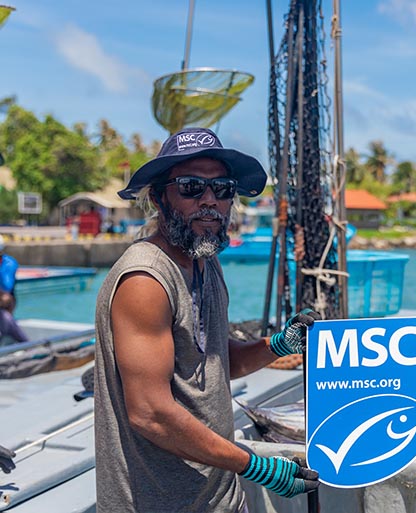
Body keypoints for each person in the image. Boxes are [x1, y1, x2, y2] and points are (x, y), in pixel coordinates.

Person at [94, 127, 319, 512]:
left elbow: (211, 363)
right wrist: (255, 465)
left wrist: (276, 346)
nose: (210, 201)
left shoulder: (205, 260)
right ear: (159, 197)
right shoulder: (145, 280)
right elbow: (151, 414)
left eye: (223, 188)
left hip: (218, 496)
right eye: (191, 187)